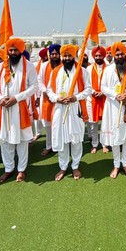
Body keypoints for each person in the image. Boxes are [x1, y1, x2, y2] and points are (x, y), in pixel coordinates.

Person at [0, 38, 37, 183]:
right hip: (4, 108)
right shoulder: (0, 67)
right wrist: (0, 99)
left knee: (22, 140)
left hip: (20, 107)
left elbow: (33, 87)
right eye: (10, 50)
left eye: (15, 50)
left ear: (21, 50)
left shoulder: (29, 66)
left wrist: (16, 98)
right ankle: (8, 169)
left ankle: (21, 169)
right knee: (5, 140)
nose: (12, 53)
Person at [46, 44, 91, 181]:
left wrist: (75, 97)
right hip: (60, 109)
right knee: (61, 138)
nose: (67, 58)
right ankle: (63, 166)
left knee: (76, 139)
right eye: (64, 55)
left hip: (75, 107)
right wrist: (57, 98)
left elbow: (89, 89)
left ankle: (75, 166)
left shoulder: (82, 71)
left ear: (74, 56)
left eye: (69, 55)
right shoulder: (55, 72)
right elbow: (49, 90)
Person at [100, 43, 126, 178]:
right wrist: (115, 95)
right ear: (113, 55)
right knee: (115, 138)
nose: (119, 56)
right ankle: (116, 165)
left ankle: (125, 164)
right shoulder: (108, 70)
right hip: (113, 108)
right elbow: (103, 87)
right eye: (117, 54)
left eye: (122, 54)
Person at [37, 44, 61, 156]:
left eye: (56, 54)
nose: (54, 56)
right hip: (46, 99)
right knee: (47, 125)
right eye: (52, 54)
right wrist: (46, 92)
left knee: (59, 124)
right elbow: (39, 80)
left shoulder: (63, 66)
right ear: (49, 55)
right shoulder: (44, 66)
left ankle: (60, 145)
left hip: (59, 99)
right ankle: (49, 146)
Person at [87, 46, 107, 154]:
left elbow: (110, 84)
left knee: (105, 123)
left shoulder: (108, 67)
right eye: (96, 55)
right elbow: (87, 84)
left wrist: (103, 92)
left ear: (103, 56)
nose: (98, 57)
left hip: (105, 99)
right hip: (92, 99)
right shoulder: (89, 69)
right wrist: (95, 92)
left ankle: (104, 144)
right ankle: (94, 144)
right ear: (94, 57)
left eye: (100, 55)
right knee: (93, 123)